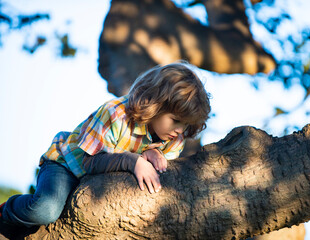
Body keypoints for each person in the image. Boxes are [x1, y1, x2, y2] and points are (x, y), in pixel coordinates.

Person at [0, 62, 211, 228]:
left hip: (98, 186)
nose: (180, 131)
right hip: (68, 166)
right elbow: (90, 161)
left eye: (186, 124)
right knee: (46, 210)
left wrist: (153, 153)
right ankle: (7, 210)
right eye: (175, 120)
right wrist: (133, 160)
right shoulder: (116, 113)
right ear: (156, 103)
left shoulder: (174, 137)